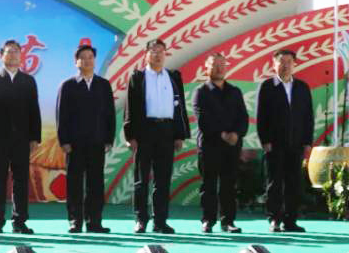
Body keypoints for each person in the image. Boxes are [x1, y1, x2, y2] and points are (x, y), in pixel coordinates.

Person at [123, 39, 190, 234]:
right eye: (153, 51)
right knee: (141, 179)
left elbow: (180, 107)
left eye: (161, 51)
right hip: (144, 131)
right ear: (146, 55)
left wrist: (179, 135)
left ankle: (160, 221)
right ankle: (140, 220)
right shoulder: (138, 77)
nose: (158, 55)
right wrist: (130, 136)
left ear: (166, 54)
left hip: (167, 131)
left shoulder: (173, 77)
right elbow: (130, 108)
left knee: (162, 180)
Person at [0, 39, 41, 234]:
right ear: (1, 56)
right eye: (9, 51)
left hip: (22, 139)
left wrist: (35, 137)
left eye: (16, 51)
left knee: (21, 180)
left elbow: (34, 110)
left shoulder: (28, 81)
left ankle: (19, 221)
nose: (13, 54)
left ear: (21, 55)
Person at [55, 43, 115, 233]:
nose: (87, 61)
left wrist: (109, 139)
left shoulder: (103, 85)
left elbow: (110, 114)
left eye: (90, 57)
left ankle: (94, 222)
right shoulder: (68, 85)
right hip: (74, 144)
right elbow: (61, 115)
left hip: (97, 142)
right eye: (83, 57)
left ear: (94, 60)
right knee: (74, 184)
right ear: (76, 62)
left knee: (96, 184)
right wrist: (64, 141)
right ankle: (75, 221)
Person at [256, 49, 314, 233]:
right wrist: (265, 140)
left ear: (294, 64)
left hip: (296, 143)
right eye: (281, 61)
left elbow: (308, 116)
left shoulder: (302, 87)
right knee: (274, 183)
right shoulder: (267, 86)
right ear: (274, 65)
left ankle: (290, 221)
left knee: (294, 183)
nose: (285, 65)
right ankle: (274, 219)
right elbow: (261, 116)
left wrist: (307, 142)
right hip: (274, 143)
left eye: (289, 62)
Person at [193, 53, 248, 233]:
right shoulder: (201, 92)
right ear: (206, 68)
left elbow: (243, 117)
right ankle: (208, 220)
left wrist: (237, 134)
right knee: (208, 185)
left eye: (222, 65)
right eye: (215, 65)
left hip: (232, 146)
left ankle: (228, 221)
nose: (219, 68)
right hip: (209, 145)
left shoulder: (235, 91)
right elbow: (202, 119)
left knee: (229, 185)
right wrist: (222, 134)